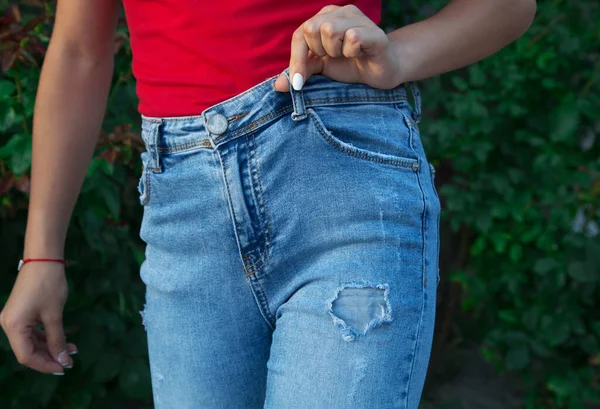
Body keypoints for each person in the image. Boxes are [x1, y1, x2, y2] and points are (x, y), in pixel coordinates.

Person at [0, 0, 536, 407]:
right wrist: (41, 254)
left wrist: (398, 55)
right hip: (184, 211)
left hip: (342, 187)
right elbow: (79, 51)